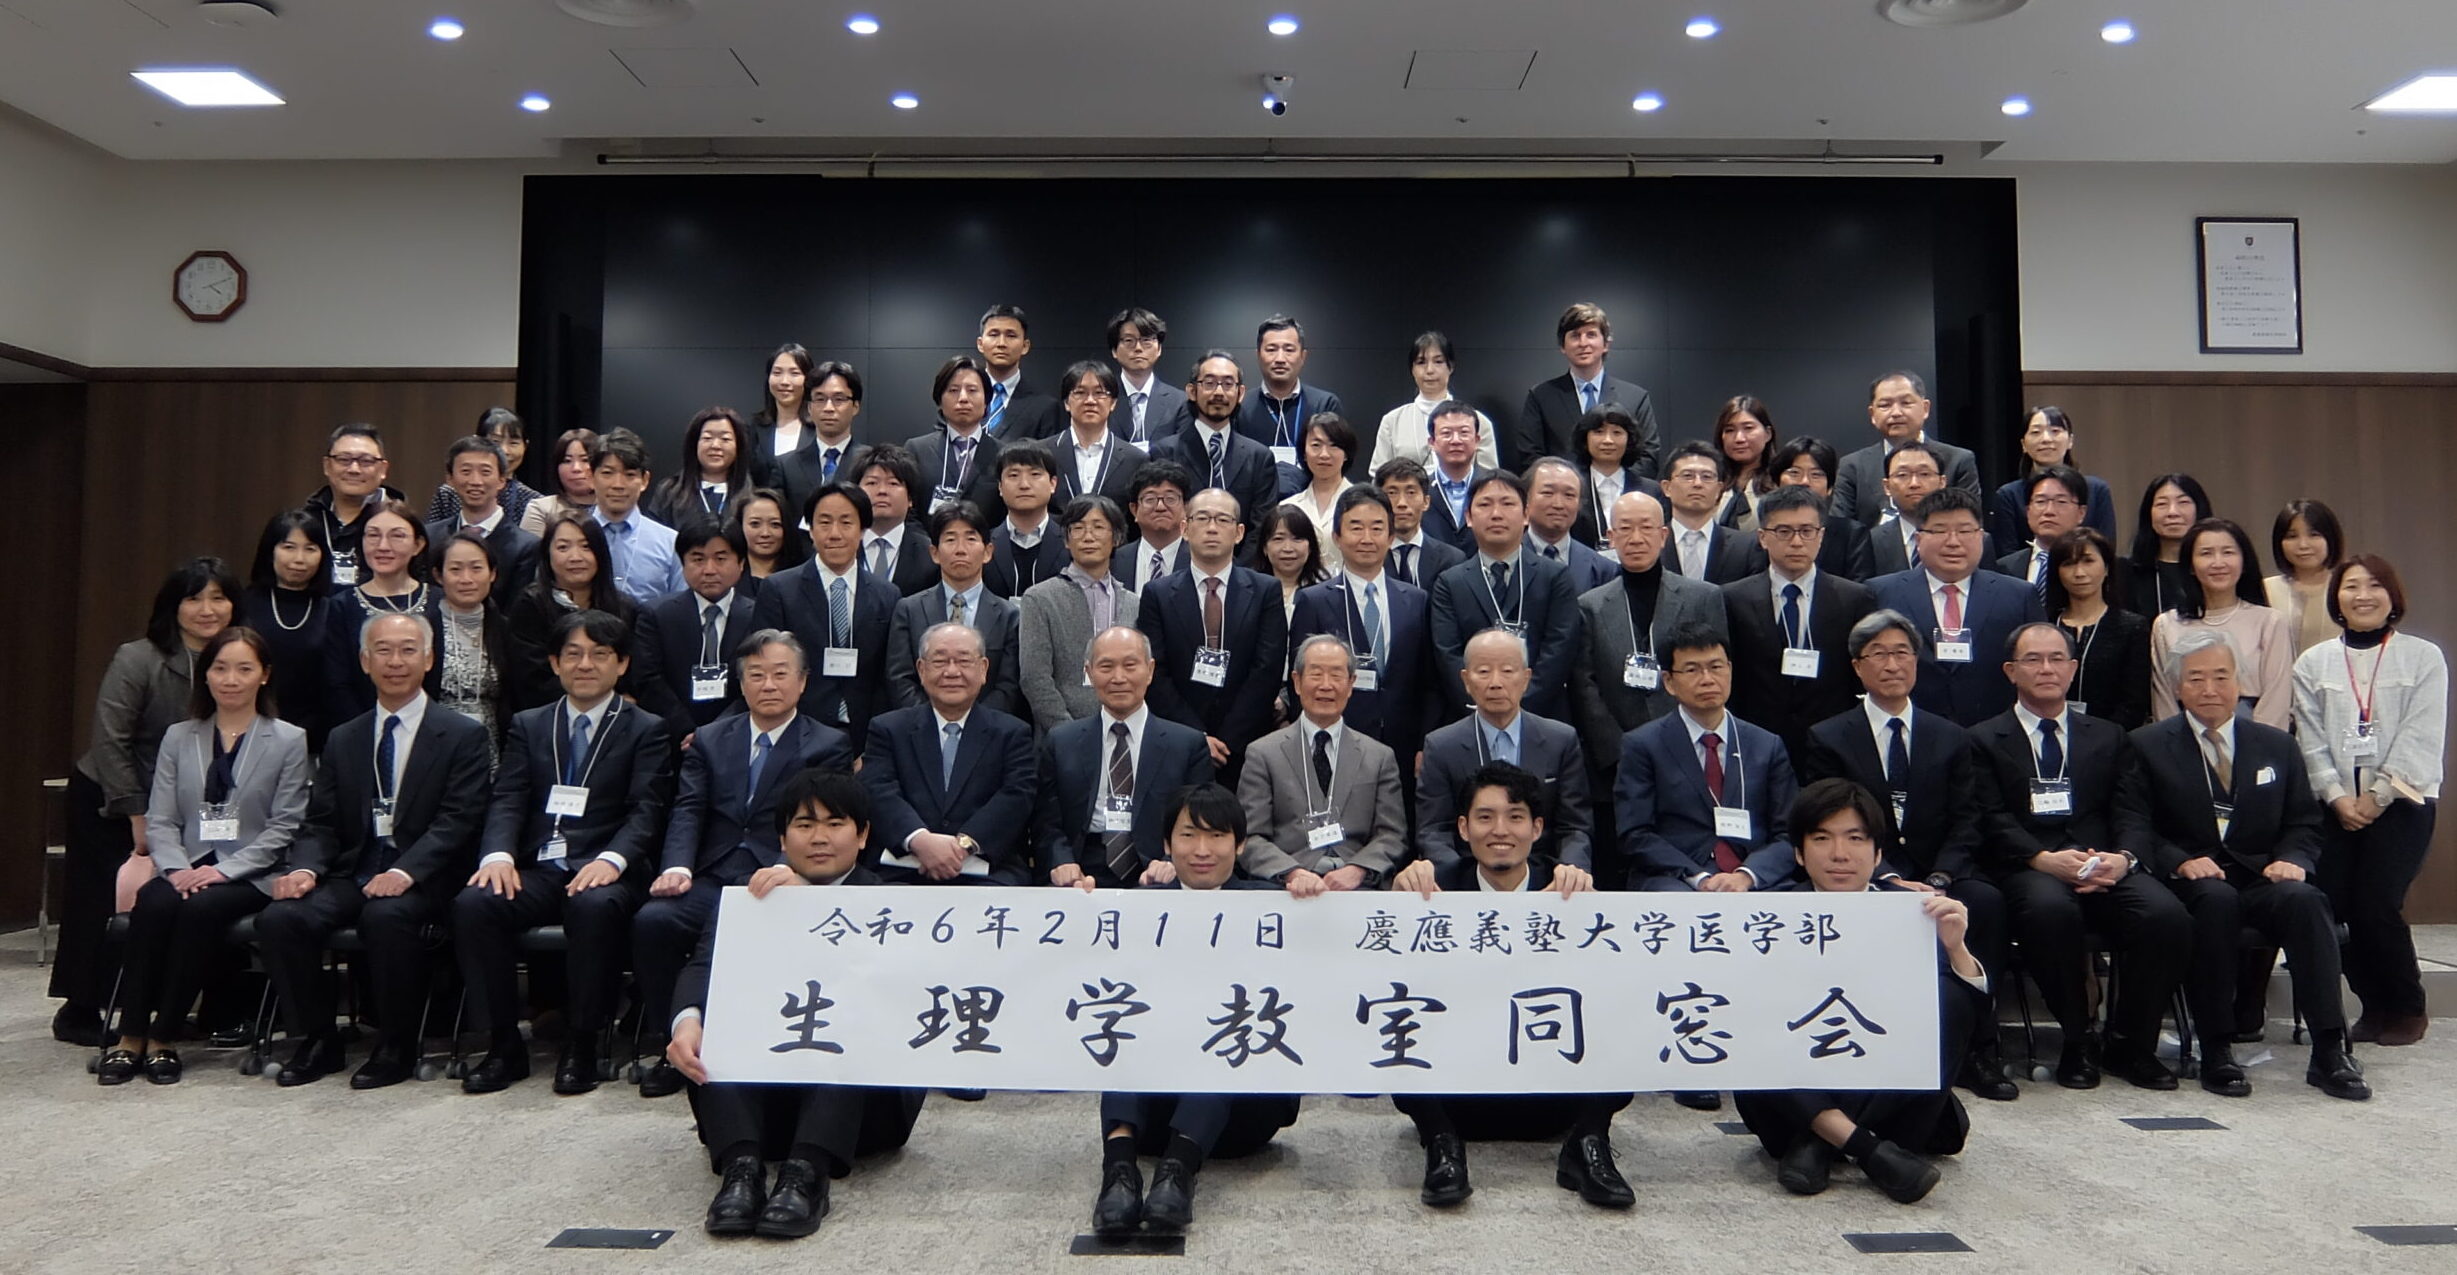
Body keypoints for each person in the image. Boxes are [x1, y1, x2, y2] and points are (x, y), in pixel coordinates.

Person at [664, 768, 925, 1240]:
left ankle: (807, 1175)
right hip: (762, 1100)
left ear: (863, 835)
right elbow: (703, 967)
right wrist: (688, 1022)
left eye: (834, 824)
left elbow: (892, 991)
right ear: (782, 839)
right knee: (721, 1018)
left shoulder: (892, 901)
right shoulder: (747, 896)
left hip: (860, 1111)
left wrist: (812, 906)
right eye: (804, 825)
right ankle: (741, 1171)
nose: (819, 838)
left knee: (846, 1025)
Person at [256, 612, 493, 1089]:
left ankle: (396, 1045)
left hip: (425, 878)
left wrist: (405, 872)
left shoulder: (463, 734)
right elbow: (321, 822)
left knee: (386, 916)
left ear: (429, 659)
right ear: (365, 661)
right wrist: (305, 869)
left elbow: (458, 821)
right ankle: (319, 1039)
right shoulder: (345, 737)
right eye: (383, 650)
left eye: (408, 650)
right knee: (281, 918)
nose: (395, 661)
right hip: (355, 871)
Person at [2132, 629, 2368, 1099]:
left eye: (2222, 676)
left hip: (2261, 873)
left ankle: (2329, 1049)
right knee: (2215, 901)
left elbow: (2303, 822)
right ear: (2178, 687)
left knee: (2305, 901)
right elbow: (2136, 825)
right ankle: (2217, 1047)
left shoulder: (2276, 744)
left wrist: (2293, 859)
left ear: (2239, 683)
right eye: (2196, 678)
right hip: (2192, 880)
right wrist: (2180, 862)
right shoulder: (2146, 745)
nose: (2210, 689)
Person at [1386, 763, 1627, 1210]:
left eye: (1515, 817)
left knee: (1624, 1012)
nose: (1500, 830)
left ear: (1537, 828)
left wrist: (1590, 912)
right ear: (1463, 828)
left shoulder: (1566, 888)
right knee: (1401, 1018)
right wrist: (1399, 899)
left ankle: (1589, 1143)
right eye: (1485, 817)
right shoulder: (1435, 890)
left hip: (1555, 1096)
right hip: (1458, 1098)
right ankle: (1441, 1146)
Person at [1798, 610, 2015, 1101]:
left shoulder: (1950, 735)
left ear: (1917, 662)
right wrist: (1889, 877)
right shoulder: (1829, 736)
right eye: (1878, 654)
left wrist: (1940, 877)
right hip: (1867, 872)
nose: (1892, 664)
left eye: (1901, 653)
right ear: (1858, 667)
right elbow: (1831, 822)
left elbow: (1968, 818)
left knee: (1986, 903)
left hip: (1941, 870)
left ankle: (1978, 1050)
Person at [457, 609, 673, 1095]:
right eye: (572, 654)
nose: (585, 665)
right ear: (555, 663)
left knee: (593, 905)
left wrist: (611, 860)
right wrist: (497, 856)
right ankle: (502, 1044)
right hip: (541, 866)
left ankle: (583, 1043)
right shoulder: (530, 724)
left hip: (609, 867)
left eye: (599, 654)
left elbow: (647, 810)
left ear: (622, 664)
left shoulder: (646, 728)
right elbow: (509, 797)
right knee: (476, 903)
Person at [1735, 779, 1982, 1204]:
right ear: (1799, 853)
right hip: (1789, 1104)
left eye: (1855, 839)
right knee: (1748, 1010)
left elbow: (1970, 1021)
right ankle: (1862, 1146)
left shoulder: (1915, 912)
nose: (1840, 854)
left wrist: (1955, 947)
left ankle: (1821, 1140)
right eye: (1822, 839)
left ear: (1878, 853)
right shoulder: (1769, 917)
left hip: (1894, 1104)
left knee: (1951, 998)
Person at [1968, 623, 2188, 1090]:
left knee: (2165, 914)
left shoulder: (2109, 735)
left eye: (2056, 659)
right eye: (2033, 659)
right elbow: (1989, 817)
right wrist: (2041, 858)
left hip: (2103, 861)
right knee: (2049, 909)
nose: (2046, 669)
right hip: (2029, 865)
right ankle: (2077, 1038)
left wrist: (2124, 858)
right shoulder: (1984, 739)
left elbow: (2132, 810)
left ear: (2072, 669)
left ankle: (2131, 1043)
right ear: (2010, 671)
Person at [633, 630, 852, 1098]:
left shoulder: (827, 743)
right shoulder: (710, 739)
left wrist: (787, 868)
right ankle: (672, 1043)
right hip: (713, 874)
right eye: (756, 675)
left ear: (802, 682)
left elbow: (820, 822)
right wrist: (677, 867)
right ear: (742, 683)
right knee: (654, 921)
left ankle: (758, 1043)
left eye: (780, 674)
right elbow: (689, 807)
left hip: (782, 878)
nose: (768, 685)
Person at [1082, 783, 1304, 1236]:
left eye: (1217, 836)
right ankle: (1119, 1173)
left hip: (1243, 1112)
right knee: (1125, 1034)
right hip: (1150, 1113)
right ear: (1166, 844)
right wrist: (1078, 903)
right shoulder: (1136, 908)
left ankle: (1177, 1175)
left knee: (1225, 1036)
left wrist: (1314, 896)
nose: (1202, 850)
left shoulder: (1272, 908)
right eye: (1188, 835)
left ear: (1240, 845)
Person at [99, 628, 310, 1086]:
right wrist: (177, 869)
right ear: (206, 675)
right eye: (220, 668)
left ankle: (164, 1036)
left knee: (201, 909)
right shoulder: (179, 736)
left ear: (264, 675)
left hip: (249, 873)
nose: (230, 679)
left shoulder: (288, 739)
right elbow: (161, 818)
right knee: (153, 903)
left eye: (244, 669)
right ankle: (129, 1035)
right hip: (184, 865)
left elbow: (284, 826)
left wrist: (222, 871)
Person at [53, 558, 241, 1045]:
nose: (207, 609)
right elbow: (110, 740)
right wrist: (135, 811)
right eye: (194, 598)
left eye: (218, 598)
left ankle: (155, 1009)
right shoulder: (138, 658)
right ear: (172, 606)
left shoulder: (236, 659)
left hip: (183, 804)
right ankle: (80, 1010)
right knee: (101, 902)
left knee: (171, 902)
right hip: (112, 795)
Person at [2293, 554, 2444, 1048]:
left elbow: (2421, 735)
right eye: (2351, 586)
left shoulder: (2423, 657)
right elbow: (2309, 739)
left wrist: (2377, 797)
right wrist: (2337, 797)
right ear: (2336, 598)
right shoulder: (2313, 662)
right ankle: (2372, 1005)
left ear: (2392, 596)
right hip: (2334, 806)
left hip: (2402, 802)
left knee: (2377, 904)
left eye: (2374, 585)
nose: (2363, 595)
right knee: (2334, 905)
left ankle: (2406, 1007)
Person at [1569, 493, 1729, 880]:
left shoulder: (1703, 597)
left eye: (1646, 528)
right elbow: (1584, 684)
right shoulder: (1590, 604)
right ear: (1610, 537)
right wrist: (1620, 749)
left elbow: (1716, 674)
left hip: (1686, 752)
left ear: (1663, 535)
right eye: (1625, 528)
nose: (1636, 538)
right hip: (1613, 760)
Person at [1615, 625, 1799, 891]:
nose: (1707, 679)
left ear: (1730, 670)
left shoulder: (1766, 745)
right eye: (1692, 670)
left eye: (1716, 667)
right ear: (1669, 681)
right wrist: (1700, 878)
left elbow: (1788, 832)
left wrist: (1747, 876)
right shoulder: (1643, 745)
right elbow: (1635, 834)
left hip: (1753, 876)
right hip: (1677, 877)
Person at [1038, 627, 1217, 888]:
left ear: (1150, 670)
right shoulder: (1061, 741)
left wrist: (1170, 861)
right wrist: (1062, 862)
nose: (1118, 678)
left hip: (1159, 868)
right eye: (1106, 667)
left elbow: (1199, 821)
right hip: (1082, 866)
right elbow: (1046, 823)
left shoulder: (1187, 745)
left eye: (1130, 666)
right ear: (1089, 673)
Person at [860, 622, 1037, 885]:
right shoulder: (888, 729)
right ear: (921, 670)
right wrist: (920, 840)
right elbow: (878, 790)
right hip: (902, 868)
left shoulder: (1012, 733)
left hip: (989, 870)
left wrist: (962, 845)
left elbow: (1016, 796)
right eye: (940, 661)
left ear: (983, 669)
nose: (952, 672)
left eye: (964, 661)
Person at [1288, 486, 1436, 779]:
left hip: (1403, 746)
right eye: (1356, 528)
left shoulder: (1416, 600)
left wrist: (1424, 743)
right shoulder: (1313, 601)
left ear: (1390, 538)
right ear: (1337, 537)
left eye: (1377, 528)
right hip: (1335, 743)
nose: (1367, 538)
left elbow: (1430, 681)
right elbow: (1301, 683)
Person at [1235, 636, 1406, 890]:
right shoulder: (1263, 753)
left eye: (1336, 675)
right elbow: (1249, 836)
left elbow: (1392, 834)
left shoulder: (1379, 756)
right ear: (1296, 682)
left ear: (1351, 684)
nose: (1326, 685)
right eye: (1316, 674)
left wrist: (1358, 870)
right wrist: (1292, 873)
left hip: (1359, 889)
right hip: (1286, 888)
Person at [1866, 488, 2046, 728]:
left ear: (1981, 536)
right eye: (1940, 531)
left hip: (1996, 734)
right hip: (1912, 731)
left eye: (1964, 531)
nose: (1953, 542)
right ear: (1918, 539)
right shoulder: (1881, 593)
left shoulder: (2018, 595)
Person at [1721, 484, 1878, 757]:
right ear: (1762, 537)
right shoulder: (1733, 598)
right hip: (1755, 741)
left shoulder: (1854, 598)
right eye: (1784, 531)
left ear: (1821, 536)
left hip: (1832, 742)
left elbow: (1858, 678)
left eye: (1807, 531)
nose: (1796, 542)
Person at [1415, 630, 1591, 870]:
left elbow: (1575, 828)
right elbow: (1434, 831)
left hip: (1544, 876)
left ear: (1526, 678)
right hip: (1469, 876)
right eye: (1483, 672)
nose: (1496, 683)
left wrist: (1570, 872)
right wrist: (1461, 878)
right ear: (1466, 680)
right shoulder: (1441, 746)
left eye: (1507, 671)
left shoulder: (1560, 740)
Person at [1144, 489, 1288, 779]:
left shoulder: (1266, 591)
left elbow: (1267, 669)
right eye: (1202, 518)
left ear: (1239, 533)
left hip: (1246, 744)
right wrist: (1196, 737)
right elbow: (1155, 672)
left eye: (1223, 520)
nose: (1212, 528)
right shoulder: (1157, 594)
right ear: (1185, 529)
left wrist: (1228, 739)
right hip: (1178, 743)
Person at [751, 483, 898, 752]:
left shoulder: (887, 594)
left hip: (866, 733)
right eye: (825, 522)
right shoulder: (779, 589)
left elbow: (887, 674)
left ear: (863, 530)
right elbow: (766, 665)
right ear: (810, 529)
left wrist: (874, 745)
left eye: (846, 523)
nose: (835, 534)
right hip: (798, 733)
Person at [1429, 471, 1582, 721]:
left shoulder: (1555, 577)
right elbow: (1448, 655)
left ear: (1526, 514)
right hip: (1470, 719)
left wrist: (1518, 709)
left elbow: (1559, 650)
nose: (1496, 514)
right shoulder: (1449, 582)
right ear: (1468, 517)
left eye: (1507, 503)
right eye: (1485, 504)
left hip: (1541, 720)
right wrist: (1484, 706)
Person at [2148, 518, 2293, 729]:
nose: (2218, 563)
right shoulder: (2166, 625)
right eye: (2206, 553)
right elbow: (2164, 701)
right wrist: (2174, 743)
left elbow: (2277, 700)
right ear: (2190, 565)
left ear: (2244, 562)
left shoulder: (2270, 622)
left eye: (2228, 552)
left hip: (2253, 731)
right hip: (2184, 734)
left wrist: (2258, 743)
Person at [885, 502, 1023, 718]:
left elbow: (1008, 685)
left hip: (989, 728)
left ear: (988, 552)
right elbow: (900, 678)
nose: (960, 549)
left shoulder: (1009, 616)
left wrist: (974, 724)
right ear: (934, 553)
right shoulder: (909, 610)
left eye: (970, 539)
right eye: (950, 539)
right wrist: (933, 723)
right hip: (920, 726)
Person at [1020, 495, 1140, 731]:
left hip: (1124, 732)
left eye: (1098, 527)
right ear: (1066, 540)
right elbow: (1034, 678)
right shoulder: (1039, 598)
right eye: (1078, 528)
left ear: (1116, 538)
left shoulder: (1134, 603)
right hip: (1060, 734)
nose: (1088, 536)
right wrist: (1068, 734)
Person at [633, 518, 758, 741]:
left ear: (741, 563)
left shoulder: (758, 615)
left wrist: (716, 734)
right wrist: (686, 730)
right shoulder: (657, 615)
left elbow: (758, 679)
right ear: (682, 564)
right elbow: (648, 681)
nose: (709, 570)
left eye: (720, 559)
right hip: (672, 738)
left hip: (737, 736)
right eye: (698, 559)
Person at [505, 511, 637, 712]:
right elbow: (531, 678)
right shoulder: (530, 605)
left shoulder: (623, 606)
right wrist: (591, 704)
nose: (575, 557)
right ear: (547, 554)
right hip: (549, 714)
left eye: (586, 547)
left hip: (614, 714)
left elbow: (633, 671)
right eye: (563, 547)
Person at [1515, 301, 1660, 475]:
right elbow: (1530, 456)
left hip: (1623, 491)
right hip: (1563, 490)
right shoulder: (1541, 396)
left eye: (1591, 335)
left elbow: (1649, 456)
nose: (1583, 343)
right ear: (1562, 346)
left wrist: (1613, 484)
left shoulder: (1636, 398)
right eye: (1575, 336)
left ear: (1606, 344)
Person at [322, 500, 432, 723]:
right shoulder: (342, 605)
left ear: (418, 544)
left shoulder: (438, 600)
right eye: (373, 535)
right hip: (359, 728)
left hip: (431, 728)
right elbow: (337, 682)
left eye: (397, 536)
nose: (383, 546)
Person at [1152, 350, 1279, 541]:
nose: (1219, 392)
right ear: (1192, 391)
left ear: (1240, 393)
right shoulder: (1165, 453)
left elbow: (1261, 528)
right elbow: (1163, 521)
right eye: (1209, 383)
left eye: (1228, 384)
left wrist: (1232, 562)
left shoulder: (1259, 458)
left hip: (1240, 559)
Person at [1828, 372, 1982, 527]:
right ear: (1872, 414)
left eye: (1906, 403)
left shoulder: (1958, 460)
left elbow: (1970, 525)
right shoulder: (1853, 466)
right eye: (1885, 405)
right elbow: (1840, 529)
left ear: (1925, 408)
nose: (1896, 413)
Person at [244, 509, 334, 752]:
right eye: (289, 547)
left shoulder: (333, 610)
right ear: (270, 551)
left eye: (310, 549)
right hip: (246, 733)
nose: (299, 559)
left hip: (313, 741)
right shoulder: (243, 604)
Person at [2046, 528, 2153, 730]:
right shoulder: (2044, 625)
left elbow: (2134, 703)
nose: (2079, 573)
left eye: (2088, 561)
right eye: (2068, 563)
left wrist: (2101, 739)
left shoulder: (2132, 627)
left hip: (2111, 738)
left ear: (2106, 568)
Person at [424, 433, 543, 611]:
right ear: (450, 479)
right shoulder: (430, 537)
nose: (475, 481)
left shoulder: (526, 546)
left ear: (502, 480)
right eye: (466, 471)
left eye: (485, 472)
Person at [424, 531, 515, 755]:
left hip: (490, 745)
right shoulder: (423, 628)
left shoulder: (505, 629)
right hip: (433, 742)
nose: (466, 579)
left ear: (492, 573)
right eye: (455, 570)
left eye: (476, 568)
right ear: (438, 575)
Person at [1237, 314, 1348, 496]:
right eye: (1271, 349)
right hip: (1256, 503)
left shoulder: (1324, 404)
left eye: (1289, 350)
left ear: (1303, 356)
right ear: (1258, 355)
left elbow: (1336, 463)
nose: (1280, 358)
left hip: (1313, 502)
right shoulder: (1241, 407)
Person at [1369, 331, 1499, 478]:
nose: (1429, 370)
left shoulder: (1478, 421)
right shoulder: (1392, 421)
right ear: (1412, 369)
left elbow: (1489, 478)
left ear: (1451, 367)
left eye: (1438, 362)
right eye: (1421, 362)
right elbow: (1378, 478)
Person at [1987, 406, 2116, 550]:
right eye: (2036, 432)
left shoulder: (2096, 490)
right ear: (2023, 444)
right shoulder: (2008, 495)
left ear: (2070, 440)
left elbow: (2105, 548)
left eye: (2055, 431)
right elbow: (2006, 554)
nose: (2046, 439)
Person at [1866, 443, 1998, 576]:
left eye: (1924, 474)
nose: (1914, 484)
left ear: (1942, 482)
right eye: (1902, 475)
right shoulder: (1871, 541)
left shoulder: (1978, 539)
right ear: (1887, 486)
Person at [906, 354, 1008, 523]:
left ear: (986, 400)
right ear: (940, 400)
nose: (963, 398)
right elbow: (908, 510)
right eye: (953, 390)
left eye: (972, 390)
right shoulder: (917, 450)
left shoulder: (1003, 454)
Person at [590, 428, 685, 605]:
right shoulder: (573, 537)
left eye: (629, 475)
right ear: (591, 477)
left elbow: (680, 606)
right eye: (607, 473)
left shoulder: (670, 543)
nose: (618, 485)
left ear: (645, 480)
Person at [305, 424, 404, 588]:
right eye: (344, 460)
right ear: (327, 466)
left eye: (366, 461)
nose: (354, 469)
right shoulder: (307, 520)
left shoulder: (403, 524)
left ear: (383, 469)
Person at [1761, 436, 1873, 581]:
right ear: (1776, 483)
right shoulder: (1763, 534)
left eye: (1816, 475)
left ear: (1830, 488)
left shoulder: (1851, 535)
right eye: (1794, 473)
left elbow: (1859, 589)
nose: (1804, 482)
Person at [770, 361, 868, 523]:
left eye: (839, 399)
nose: (828, 408)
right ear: (809, 407)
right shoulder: (786, 466)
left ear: (855, 406)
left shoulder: (870, 463)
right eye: (820, 399)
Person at [845, 443, 942, 597]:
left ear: (910, 498)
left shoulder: (930, 555)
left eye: (893, 483)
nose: (882, 491)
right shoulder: (840, 544)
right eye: (872, 483)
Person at [646, 407, 768, 527]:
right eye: (707, 438)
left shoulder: (753, 496)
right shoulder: (669, 492)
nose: (715, 445)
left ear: (738, 446)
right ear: (694, 444)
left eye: (725, 439)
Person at [426, 407, 544, 530]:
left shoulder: (533, 501)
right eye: (495, 441)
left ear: (525, 445)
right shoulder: (448, 493)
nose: (504, 451)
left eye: (513, 443)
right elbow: (433, 534)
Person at [1568, 407, 1665, 549]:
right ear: (1585, 438)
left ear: (1629, 439)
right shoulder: (1572, 487)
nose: (1608, 440)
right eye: (1599, 432)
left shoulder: (1650, 491)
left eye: (1617, 433)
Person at [1052, 363, 1147, 510]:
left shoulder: (1135, 459)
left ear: (1113, 403)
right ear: (1066, 403)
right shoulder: (1045, 453)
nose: (1090, 401)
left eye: (1099, 393)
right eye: (1080, 392)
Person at [985, 441, 1070, 598]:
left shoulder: (1071, 543)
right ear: (1000, 487)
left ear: (1053, 484)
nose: (1024, 485)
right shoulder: (982, 545)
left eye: (1035, 474)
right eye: (1013, 475)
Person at [1995, 463, 2092, 598]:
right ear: (2028, 511)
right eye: (2041, 502)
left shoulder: (2092, 566)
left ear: (2081, 513)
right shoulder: (2003, 568)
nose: (2049, 511)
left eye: (2061, 502)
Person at [2125, 473, 2214, 619]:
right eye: (2162, 504)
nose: (2172, 512)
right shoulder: (2127, 573)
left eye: (2183, 502)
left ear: (2199, 508)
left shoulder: (2216, 568)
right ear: (2148, 514)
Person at [1659, 441, 1749, 585]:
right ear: (1667, 487)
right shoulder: (1651, 544)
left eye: (1707, 477)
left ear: (1719, 489)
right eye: (1687, 476)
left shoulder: (1746, 547)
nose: (1698, 484)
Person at [1522, 457, 1617, 592]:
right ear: (1525, 500)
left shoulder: (1603, 570)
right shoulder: (1505, 558)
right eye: (1548, 493)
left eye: (1569, 495)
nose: (1558, 504)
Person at [2265, 498, 2346, 656]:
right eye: (2292, 536)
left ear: (2331, 538)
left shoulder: (2346, 589)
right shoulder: (2266, 589)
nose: (2303, 545)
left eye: (2314, 535)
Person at [1279, 412, 1357, 572]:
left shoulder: (1362, 504)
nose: (1324, 454)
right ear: (1304, 453)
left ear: (1346, 454)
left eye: (1334, 445)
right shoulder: (1288, 507)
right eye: (1316, 445)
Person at [1376, 457, 1467, 590]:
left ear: (1426, 502)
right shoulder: (1367, 556)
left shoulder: (1452, 560)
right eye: (1392, 493)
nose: (1402, 503)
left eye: (1411, 493)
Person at [975, 303, 1064, 440]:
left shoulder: (1044, 407)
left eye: (1011, 336)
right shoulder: (959, 399)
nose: (1001, 343)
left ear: (1025, 346)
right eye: (994, 335)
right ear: (980, 344)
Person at [1106, 307, 1192, 445]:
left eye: (1146, 340)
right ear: (1114, 350)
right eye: (1129, 340)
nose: (1138, 348)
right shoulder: (1102, 398)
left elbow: (1182, 450)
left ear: (1159, 349)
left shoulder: (1180, 402)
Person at [1416, 402, 1494, 552]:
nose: (1456, 440)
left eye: (1464, 433)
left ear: (1477, 440)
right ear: (1432, 442)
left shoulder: (1494, 486)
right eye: (1446, 433)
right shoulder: (1420, 490)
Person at [1113, 460, 1194, 590]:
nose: (1160, 507)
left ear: (1186, 507)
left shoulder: (1200, 557)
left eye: (1170, 499)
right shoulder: (1114, 560)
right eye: (1150, 499)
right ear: (1134, 510)